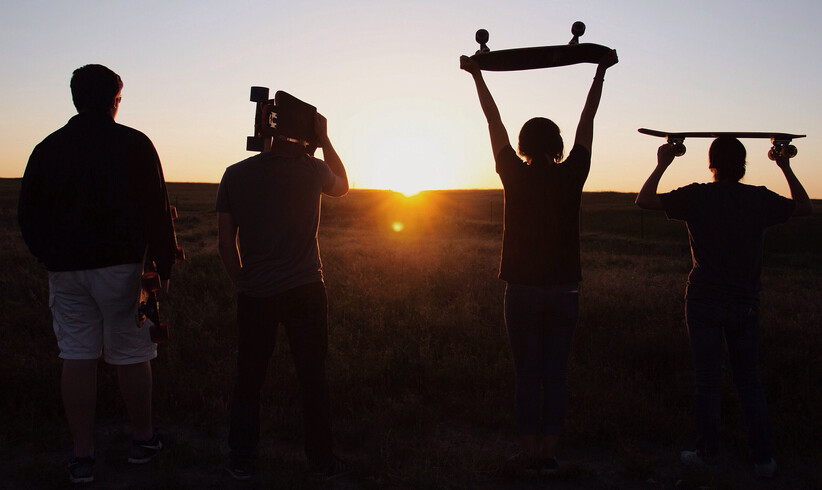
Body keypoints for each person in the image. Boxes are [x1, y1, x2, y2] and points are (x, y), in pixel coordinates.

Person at [18, 64, 177, 483]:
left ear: (75, 99)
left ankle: (82, 456)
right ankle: (143, 440)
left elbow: (27, 216)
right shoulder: (135, 144)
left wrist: (49, 256)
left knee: (76, 356)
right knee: (132, 353)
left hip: (65, 270)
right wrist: (163, 265)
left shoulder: (46, 149)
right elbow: (157, 209)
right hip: (123, 269)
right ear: (114, 100)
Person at [460, 51, 618, 473]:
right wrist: (599, 73)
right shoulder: (574, 172)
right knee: (556, 374)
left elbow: (493, 123)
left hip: (522, 291)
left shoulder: (513, 171)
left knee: (527, 374)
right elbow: (588, 119)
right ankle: (549, 453)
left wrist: (478, 76)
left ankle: (528, 451)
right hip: (565, 291)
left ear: (524, 145)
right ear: (559, 145)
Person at [635, 137, 813, 478]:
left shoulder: (698, 194)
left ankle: (706, 453)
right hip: (745, 303)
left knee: (708, 381)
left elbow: (644, 200)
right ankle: (763, 460)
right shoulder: (758, 198)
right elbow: (804, 207)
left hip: (703, 300)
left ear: (710, 163)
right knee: (749, 381)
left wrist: (664, 161)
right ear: (743, 165)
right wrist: (784, 164)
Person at [216, 105, 350, 482]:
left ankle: (241, 459)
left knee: (249, 378)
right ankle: (321, 461)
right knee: (312, 377)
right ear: (306, 134)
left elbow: (226, 244)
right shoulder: (314, 170)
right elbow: (343, 183)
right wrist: (325, 140)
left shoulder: (235, 175)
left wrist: (242, 281)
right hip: (306, 290)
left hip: (255, 293)